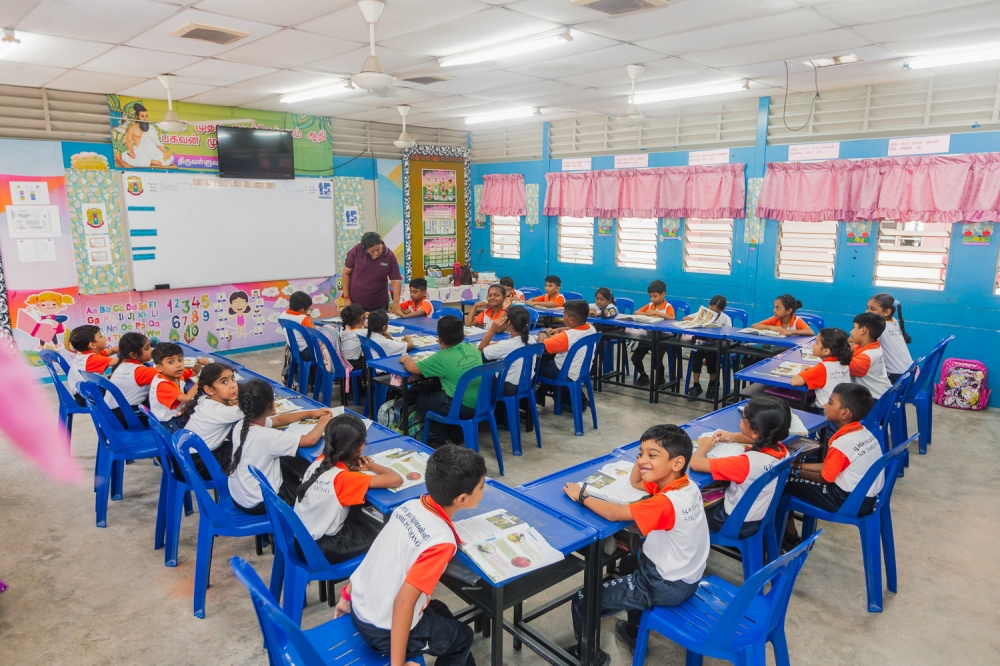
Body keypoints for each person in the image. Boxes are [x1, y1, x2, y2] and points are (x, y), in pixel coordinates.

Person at [562, 424, 709, 661]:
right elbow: (635, 483)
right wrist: (644, 461)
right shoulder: (686, 485)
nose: (642, 460)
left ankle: (589, 656)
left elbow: (613, 514)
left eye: (652, 455)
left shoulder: (665, 502)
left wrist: (582, 495)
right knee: (630, 563)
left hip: (664, 583)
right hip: (686, 576)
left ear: (677, 463)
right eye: (640, 454)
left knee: (581, 601)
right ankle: (634, 631)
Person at [338, 445, 487, 666]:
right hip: (382, 629)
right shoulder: (441, 541)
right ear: (462, 499)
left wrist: (347, 595)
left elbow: (374, 556)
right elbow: (403, 602)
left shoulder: (409, 506)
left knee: (442, 612)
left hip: (362, 605)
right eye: (482, 487)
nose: (485, 490)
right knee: (463, 637)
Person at [294, 412, 403, 564]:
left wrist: (352, 461)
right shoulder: (344, 480)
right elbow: (396, 479)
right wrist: (371, 465)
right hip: (321, 548)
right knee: (382, 537)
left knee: (357, 515)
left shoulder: (319, 462)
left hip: (301, 539)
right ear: (360, 447)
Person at [783, 383, 881, 550]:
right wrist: (798, 465)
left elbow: (825, 477)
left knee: (784, 484)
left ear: (844, 413)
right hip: (865, 498)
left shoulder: (843, 443)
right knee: (792, 472)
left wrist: (794, 471)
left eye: (830, 402)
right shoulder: (864, 433)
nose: (824, 405)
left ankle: (789, 539)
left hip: (845, 500)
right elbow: (830, 466)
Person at [226, 379, 332, 514]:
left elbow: (278, 420)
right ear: (272, 405)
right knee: (312, 491)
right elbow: (310, 440)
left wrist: (311, 413)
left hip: (241, 497)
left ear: (241, 405)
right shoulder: (268, 437)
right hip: (262, 502)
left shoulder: (241, 425)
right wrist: (323, 422)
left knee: (288, 469)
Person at [689, 397, 790, 538]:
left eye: (743, 418)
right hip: (758, 516)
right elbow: (761, 438)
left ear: (755, 432)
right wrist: (733, 436)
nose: (740, 420)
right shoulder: (782, 451)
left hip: (733, 522)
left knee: (689, 511)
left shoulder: (746, 463)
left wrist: (703, 447)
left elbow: (695, 464)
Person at [401, 316, 482, 447]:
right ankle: (457, 434)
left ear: (439, 338)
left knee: (422, 402)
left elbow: (411, 368)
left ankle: (438, 438)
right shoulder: (472, 347)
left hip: (462, 408)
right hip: (482, 403)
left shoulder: (441, 357)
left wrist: (405, 359)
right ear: (463, 335)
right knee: (443, 394)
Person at [182, 363, 243, 478]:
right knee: (251, 453)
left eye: (233, 379)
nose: (233, 385)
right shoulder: (221, 411)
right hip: (200, 462)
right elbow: (254, 409)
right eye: (224, 382)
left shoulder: (204, 399)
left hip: (188, 456)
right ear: (209, 390)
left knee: (240, 446)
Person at [535, 300, 598, 409]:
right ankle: (541, 393)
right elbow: (574, 328)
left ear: (571, 319)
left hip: (563, 372)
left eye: (564, 315)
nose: (563, 317)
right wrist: (558, 329)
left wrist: (543, 332)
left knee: (534, 363)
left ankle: (534, 397)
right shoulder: (591, 329)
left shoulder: (566, 337)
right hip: (581, 370)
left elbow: (540, 346)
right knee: (551, 356)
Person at [479, 306, 536, 396]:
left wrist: (492, 330)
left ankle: (488, 405)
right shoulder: (531, 339)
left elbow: (481, 349)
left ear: (508, 323)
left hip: (508, 387)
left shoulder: (504, 346)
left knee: (483, 373)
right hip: (528, 382)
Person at [150, 343, 207, 432]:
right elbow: (187, 398)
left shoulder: (175, 373)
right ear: (159, 368)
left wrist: (199, 363)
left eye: (180, 360)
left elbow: (194, 371)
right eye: (171, 362)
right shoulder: (162, 385)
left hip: (176, 414)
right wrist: (201, 380)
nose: (178, 365)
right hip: (168, 422)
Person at [790, 328, 853, 409]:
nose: (813, 345)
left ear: (826, 351)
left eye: (816, 343)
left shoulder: (822, 368)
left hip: (827, 413)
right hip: (843, 407)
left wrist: (806, 372)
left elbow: (795, 381)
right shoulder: (843, 362)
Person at [342, 232, 403, 314]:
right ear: (365, 248)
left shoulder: (389, 256)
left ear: (381, 243)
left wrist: (396, 302)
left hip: (378, 304)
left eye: (378, 249)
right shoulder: (357, 250)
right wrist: (346, 297)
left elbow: (396, 280)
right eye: (372, 252)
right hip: (356, 303)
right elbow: (346, 274)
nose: (376, 253)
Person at [685, 295, 732, 400]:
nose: (712, 312)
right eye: (710, 309)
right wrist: (697, 320)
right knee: (696, 357)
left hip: (716, 346)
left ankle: (712, 384)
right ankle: (696, 385)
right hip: (701, 343)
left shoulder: (725, 319)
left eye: (715, 311)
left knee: (711, 358)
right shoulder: (703, 314)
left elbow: (729, 334)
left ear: (721, 310)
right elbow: (685, 318)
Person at [105, 332, 156, 426]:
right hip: (128, 419)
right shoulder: (141, 372)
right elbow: (169, 374)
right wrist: (191, 371)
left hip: (111, 417)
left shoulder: (120, 366)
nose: (151, 350)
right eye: (147, 348)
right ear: (133, 355)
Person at [631, 280, 675, 387]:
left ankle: (660, 378)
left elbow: (672, 317)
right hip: (649, 335)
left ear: (663, 294)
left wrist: (656, 313)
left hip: (663, 336)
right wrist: (648, 314)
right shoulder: (650, 305)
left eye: (655, 296)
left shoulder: (667, 306)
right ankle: (643, 375)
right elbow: (636, 312)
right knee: (635, 358)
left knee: (656, 360)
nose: (652, 299)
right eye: (650, 296)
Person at [867, 293, 913, 383]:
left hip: (898, 378)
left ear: (887, 312)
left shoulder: (879, 326)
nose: (867, 311)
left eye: (872, 309)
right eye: (867, 307)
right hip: (911, 374)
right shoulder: (893, 321)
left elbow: (862, 344)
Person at [66, 325, 118, 404]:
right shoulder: (91, 359)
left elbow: (111, 350)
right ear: (92, 345)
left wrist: (126, 347)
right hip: (88, 397)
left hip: (83, 392)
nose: (104, 337)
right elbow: (120, 361)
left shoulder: (85, 354)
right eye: (100, 336)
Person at [849, 312, 891, 399]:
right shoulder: (875, 347)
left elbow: (840, 366)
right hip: (883, 393)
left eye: (854, 328)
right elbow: (856, 348)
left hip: (873, 400)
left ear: (863, 330)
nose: (851, 332)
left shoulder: (865, 358)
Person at [278, 291, 315, 386]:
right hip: (306, 353)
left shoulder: (283, 315)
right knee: (326, 350)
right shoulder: (303, 319)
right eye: (308, 310)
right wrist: (311, 320)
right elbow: (314, 335)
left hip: (293, 351)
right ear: (302, 310)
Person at [121, 103, 175, 168]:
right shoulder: (133, 127)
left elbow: (157, 143)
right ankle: (150, 162)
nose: (145, 118)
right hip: (139, 153)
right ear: (137, 117)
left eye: (146, 116)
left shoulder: (151, 128)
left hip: (153, 153)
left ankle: (148, 161)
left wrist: (166, 152)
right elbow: (128, 141)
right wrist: (132, 153)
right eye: (142, 116)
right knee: (125, 156)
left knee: (171, 158)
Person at [339, 305, 367, 370]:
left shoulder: (343, 329)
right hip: (352, 364)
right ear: (361, 318)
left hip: (342, 361)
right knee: (368, 360)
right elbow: (376, 333)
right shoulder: (362, 333)